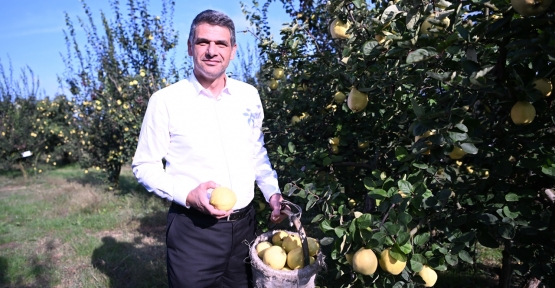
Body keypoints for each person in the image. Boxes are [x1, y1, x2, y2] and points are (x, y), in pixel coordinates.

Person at [131, 9, 285, 288]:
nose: (212, 51)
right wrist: (188, 195)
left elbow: (256, 151)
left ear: (233, 50)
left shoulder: (249, 96)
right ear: (190, 47)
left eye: (221, 44)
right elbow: (144, 166)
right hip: (193, 231)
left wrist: (272, 192)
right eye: (203, 42)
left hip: (245, 229)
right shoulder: (166, 101)